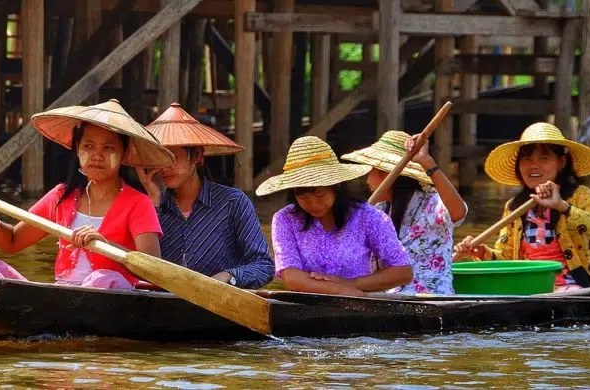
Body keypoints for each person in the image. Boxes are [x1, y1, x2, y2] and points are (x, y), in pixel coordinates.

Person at [0, 99, 175, 289]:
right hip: (62, 292)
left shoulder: (138, 203)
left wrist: (107, 246)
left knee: (102, 279)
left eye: (109, 148)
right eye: (89, 146)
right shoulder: (61, 195)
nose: (97, 156)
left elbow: (153, 270)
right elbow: (12, 241)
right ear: (77, 149)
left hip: (109, 293)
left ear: (124, 154)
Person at [453, 122, 590, 291]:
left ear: (562, 162)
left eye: (543, 158)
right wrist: (481, 252)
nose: (533, 165)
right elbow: (507, 259)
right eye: (526, 158)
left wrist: (563, 206)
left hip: (572, 286)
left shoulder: (580, 195)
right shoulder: (514, 207)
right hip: (529, 287)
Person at [136, 103, 274, 289]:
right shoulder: (152, 207)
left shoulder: (232, 202)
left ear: (197, 156)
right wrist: (152, 199)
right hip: (165, 310)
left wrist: (228, 276)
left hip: (219, 310)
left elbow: (263, 266)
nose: (166, 167)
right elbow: (141, 267)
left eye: (173, 157)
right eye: (161, 158)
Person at [256, 136, 413, 297]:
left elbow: (402, 271)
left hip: (358, 308)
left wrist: (352, 283)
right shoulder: (285, 219)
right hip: (305, 311)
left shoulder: (368, 216)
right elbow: (292, 278)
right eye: (303, 198)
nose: (313, 205)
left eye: (320, 195)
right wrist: (340, 290)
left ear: (336, 186)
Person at [340, 130, 467, 294]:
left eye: (371, 172)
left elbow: (459, 212)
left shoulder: (430, 201)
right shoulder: (378, 211)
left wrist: (427, 162)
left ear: (386, 174)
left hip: (430, 298)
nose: (368, 181)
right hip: (390, 298)